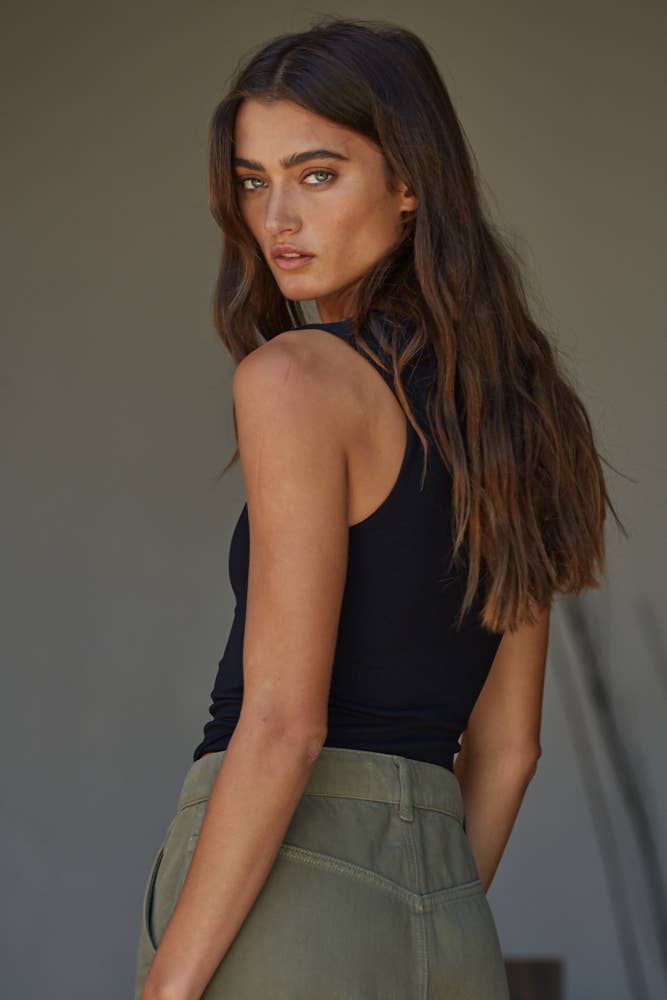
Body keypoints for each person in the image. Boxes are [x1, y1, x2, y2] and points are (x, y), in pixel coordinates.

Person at [133, 16, 623, 1000]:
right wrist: (413, 907)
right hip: (449, 920)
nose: (277, 217)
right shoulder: (521, 415)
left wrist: (167, 990)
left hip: (280, 900)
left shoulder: (295, 377)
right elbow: (509, 749)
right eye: (252, 180)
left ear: (410, 182)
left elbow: (283, 725)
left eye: (317, 174)